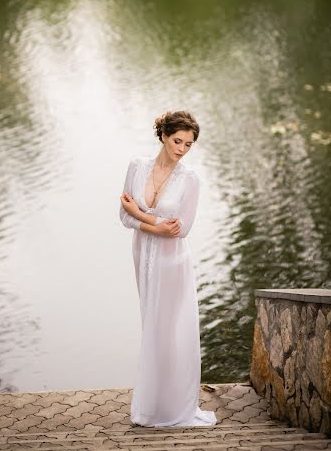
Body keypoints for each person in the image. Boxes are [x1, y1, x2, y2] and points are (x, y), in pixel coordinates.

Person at [119, 110, 217, 428]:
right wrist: (155, 224)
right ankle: (152, 406)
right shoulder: (137, 167)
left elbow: (181, 229)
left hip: (172, 261)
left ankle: (175, 408)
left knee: (172, 332)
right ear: (163, 135)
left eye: (188, 144)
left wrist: (144, 217)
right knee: (152, 328)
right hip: (143, 256)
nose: (181, 149)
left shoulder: (190, 179)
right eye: (177, 141)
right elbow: (123, 217)